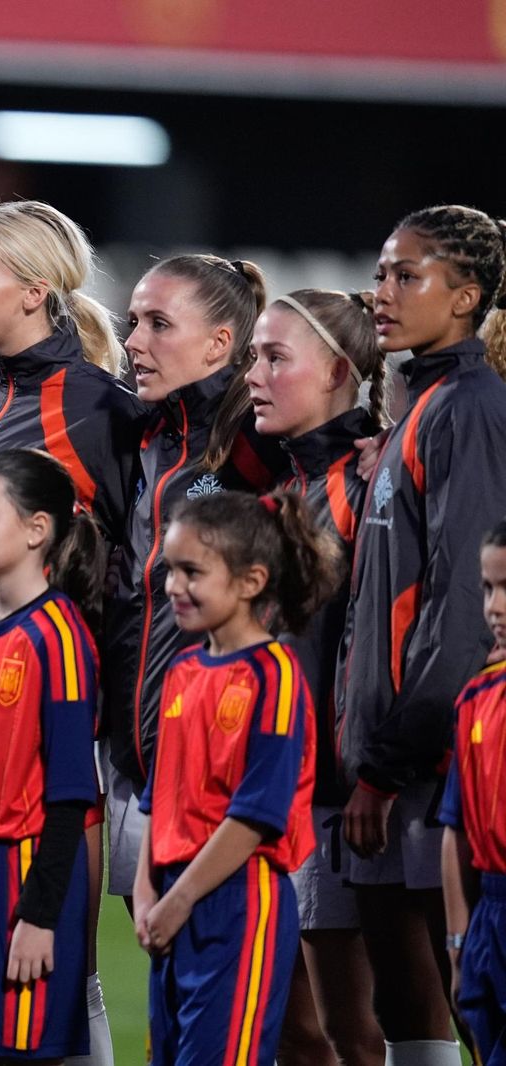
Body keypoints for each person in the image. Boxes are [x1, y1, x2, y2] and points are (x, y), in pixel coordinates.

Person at [0, 201, 137, 1064]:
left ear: (37, 290)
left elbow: (138, 560)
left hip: (48, 736)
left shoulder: (92, 405)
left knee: (50, 986)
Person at [338, 206, 506, 1066]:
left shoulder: (468, 409)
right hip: (398, 760)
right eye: (381, 272)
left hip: (425, 770)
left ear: (466, 296)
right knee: (405, 1022)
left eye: (409, 276)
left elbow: (464, 603)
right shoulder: (425, 401)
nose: (383, 293)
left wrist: (383, 765)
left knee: (442, 1016)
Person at [105, 254, 285, 911]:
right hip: (137, 760)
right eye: (132, 322)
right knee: (171, 992)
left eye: (158, 323)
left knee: (262, 999)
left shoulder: (259, 443)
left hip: (223, 766)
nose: (133, 342)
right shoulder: (138, 433)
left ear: (220, 343)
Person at [133, 490, 338, 1066]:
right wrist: (149, 893)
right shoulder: (181, 671)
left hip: (237, 900)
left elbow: (256, 813)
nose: (174, 586)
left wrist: (177, 901)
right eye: (170, 569)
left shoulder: (274, 675)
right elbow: (160, 799)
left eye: (192, 572)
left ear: (250, 581)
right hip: (173, 895)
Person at [246, 290, 388, 1066]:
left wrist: (370, 773)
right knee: (300, 1033)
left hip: (343, 795)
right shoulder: (287, 488)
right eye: (252, 358)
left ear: (337, 371)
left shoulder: (371, 482)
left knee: (354, 1033)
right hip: (288, 795)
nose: (255, 376)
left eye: (274, 359)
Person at [0, 448, 104, 1064]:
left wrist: (39, 914)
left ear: (38, 530)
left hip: (21, 876)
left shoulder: (58, 637)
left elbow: (70, 796)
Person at [438, 521, 506, 1066]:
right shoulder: (477, 698)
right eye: (487, 588)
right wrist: (459, 943)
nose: (495, 607)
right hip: (489, 916)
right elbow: (455, 829)